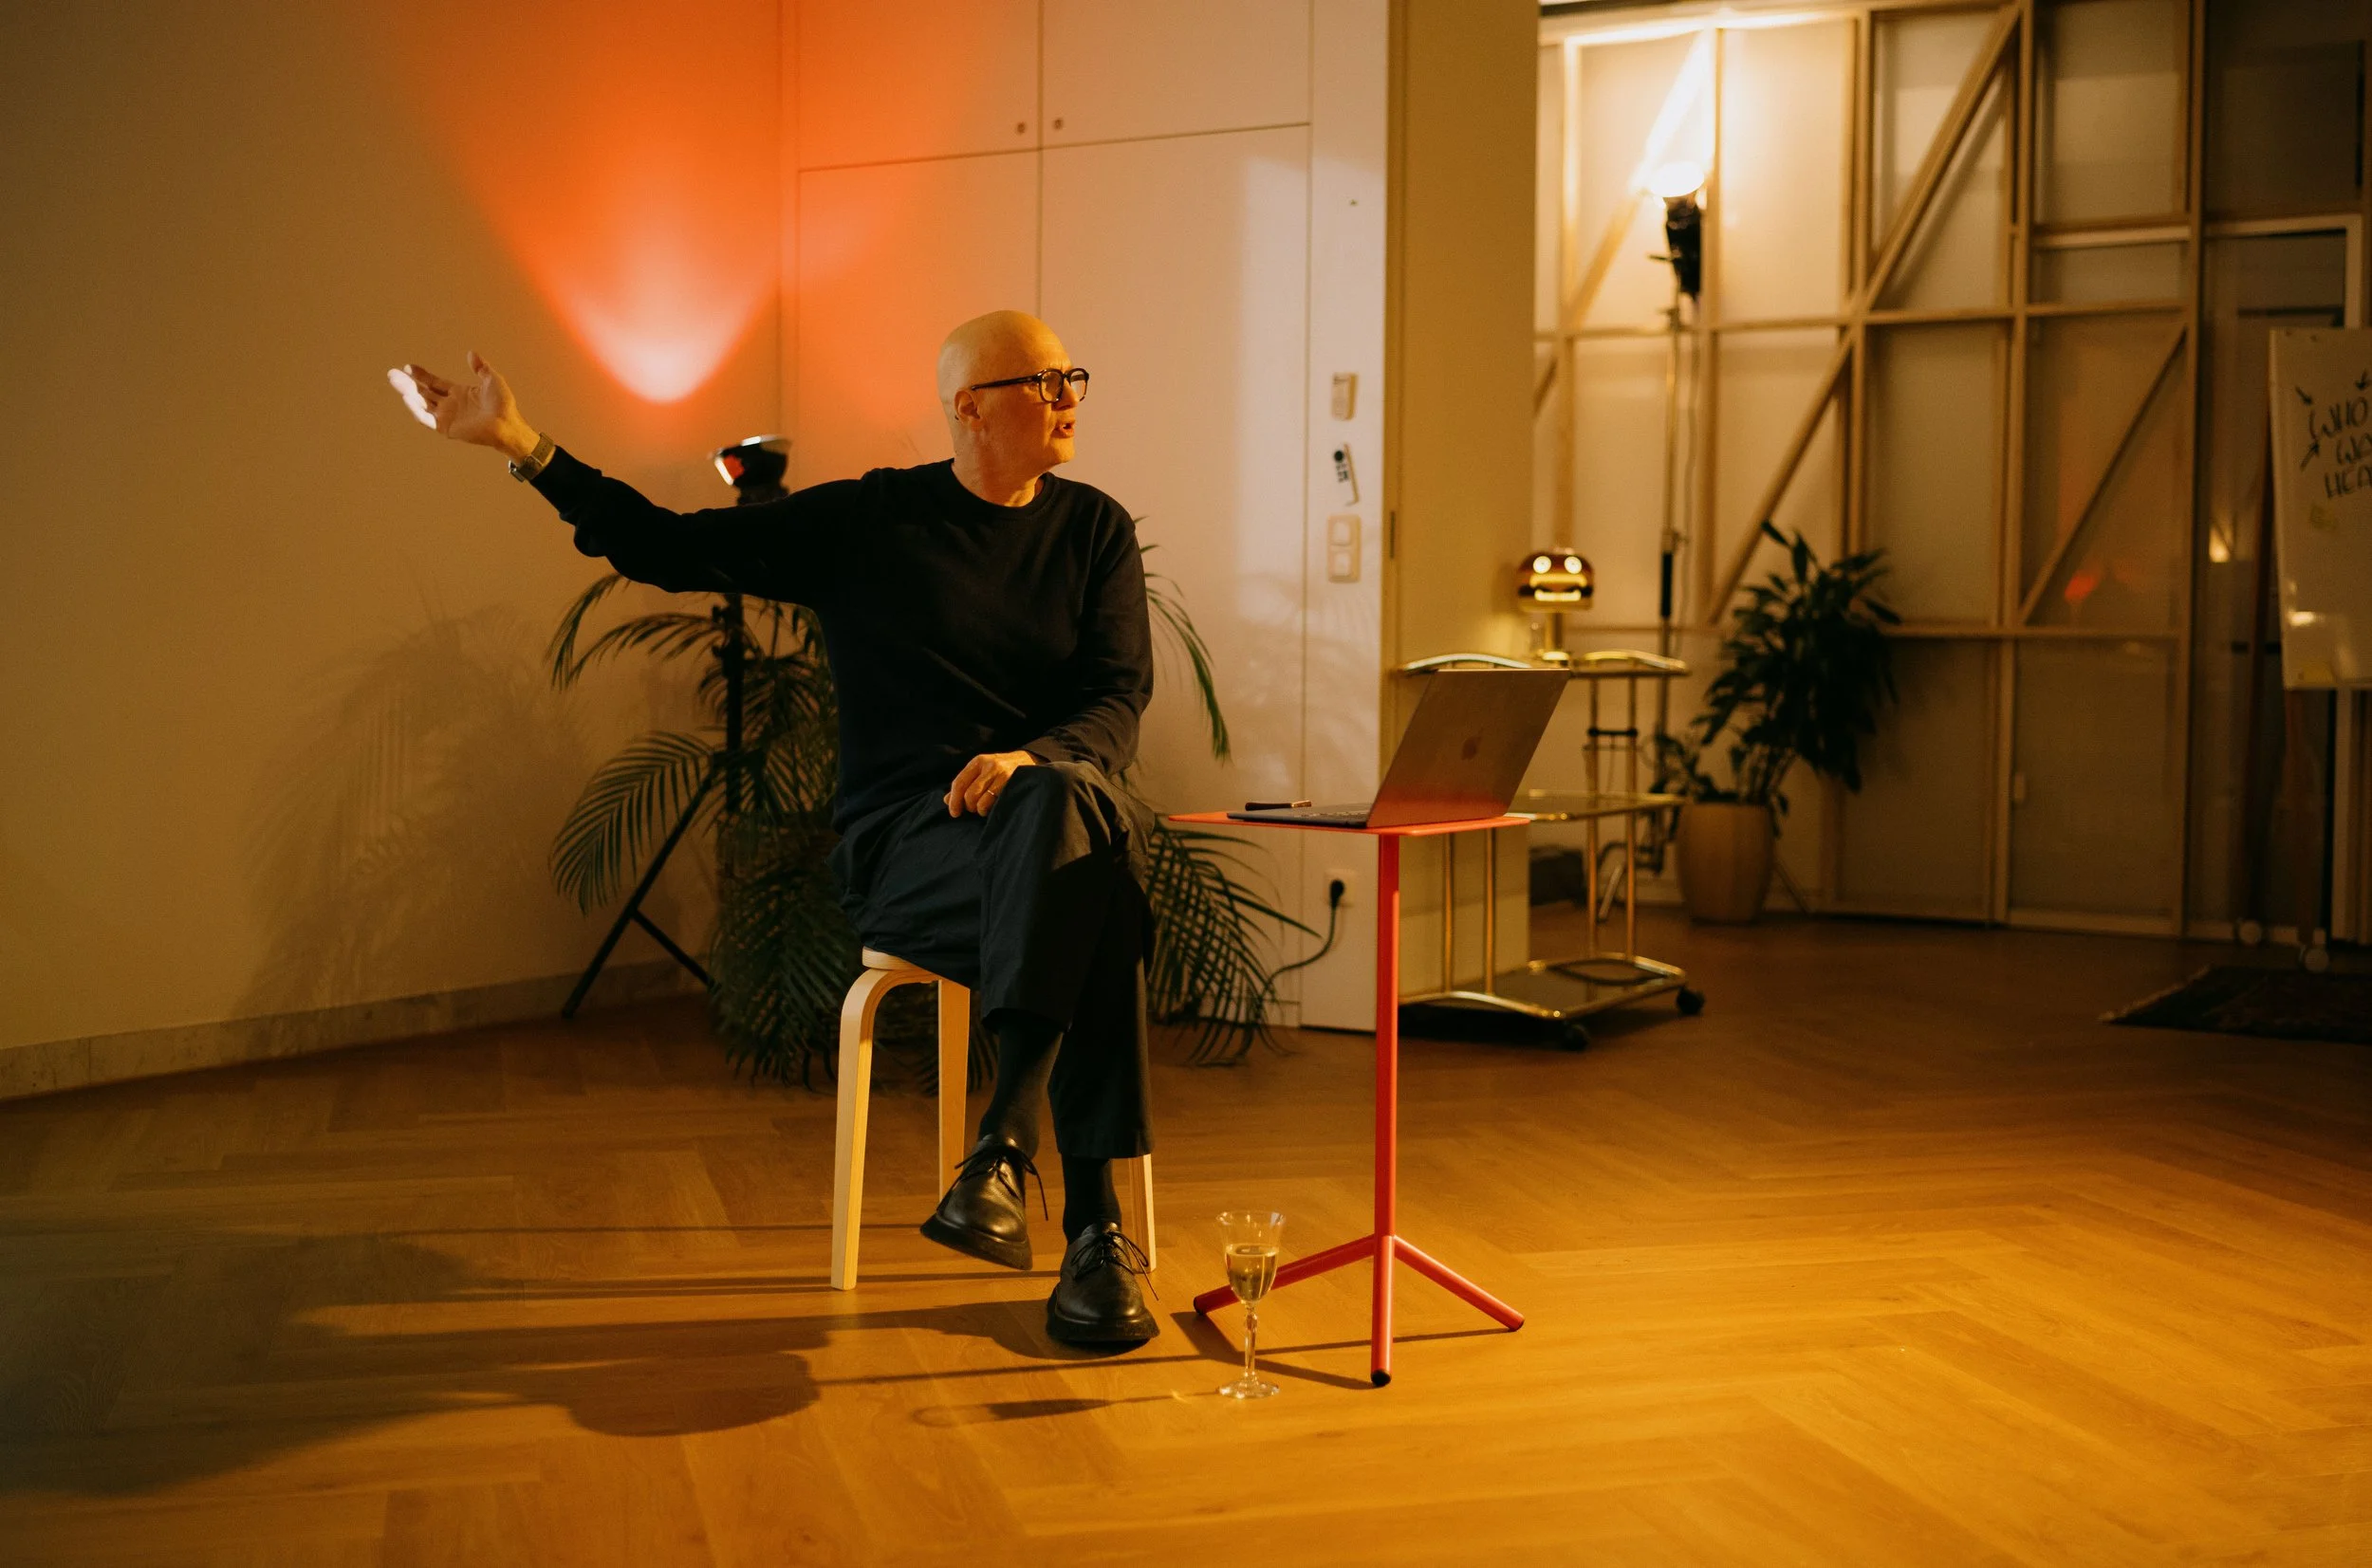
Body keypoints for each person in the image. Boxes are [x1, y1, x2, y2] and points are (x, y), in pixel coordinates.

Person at [387, 311, 1160, 1346]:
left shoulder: (1095, 529)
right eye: (1046, 378)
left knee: (1066, 819)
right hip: (910, 848)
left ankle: (1003, 1162)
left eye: (1077, 374)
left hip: (1044, 836)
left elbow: (1115, 700)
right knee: (1091, 879)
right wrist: (523, 446)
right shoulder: (869, 524)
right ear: (969, 406)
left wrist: (1031, 762)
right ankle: (1094, 1233)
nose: (1071, 395)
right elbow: (664, 545)